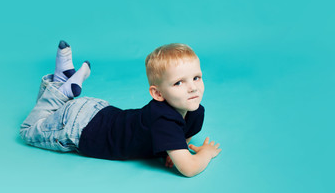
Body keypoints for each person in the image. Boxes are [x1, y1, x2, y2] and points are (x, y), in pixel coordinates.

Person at [20, 40, 222, 177]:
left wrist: (173, 151)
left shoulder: (194, 109)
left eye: (196, 77)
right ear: (157, 94)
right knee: (28, 131)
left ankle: (62, 78)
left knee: (49, 115)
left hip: (98, 110)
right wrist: (206, 153)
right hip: (78, 129)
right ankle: (60, 91)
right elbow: (188, 168)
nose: (193, 87)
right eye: (179, 82)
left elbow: (182, 135)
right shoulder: (164, 121)